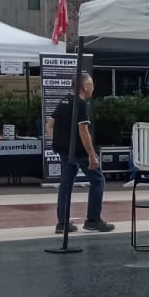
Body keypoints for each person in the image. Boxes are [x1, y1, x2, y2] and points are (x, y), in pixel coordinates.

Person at [47, 73, 114, 234]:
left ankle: (62, 222)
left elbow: (49, 125)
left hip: (65, 151)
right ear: (85, 87)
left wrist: (58, 142)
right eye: (91, 84)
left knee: (66, 184)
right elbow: (83, 130)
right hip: (80, 151)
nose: (93, 88)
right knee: (98, 180)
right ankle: (93, 219)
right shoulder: (81, 104)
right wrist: (91, 154)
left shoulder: (64, 101)